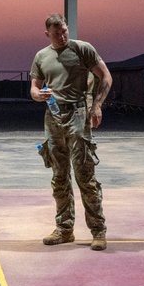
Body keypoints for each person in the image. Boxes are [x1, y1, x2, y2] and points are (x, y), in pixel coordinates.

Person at [29, 13, 112, 251]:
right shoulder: (41, 56)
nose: (63, 36)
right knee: (59, 175)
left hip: (78, 114)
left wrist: (96, 105)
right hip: (53, 116)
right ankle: (64, 229)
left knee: (84, 173)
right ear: (48, 34)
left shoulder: (83, 49)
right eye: (57, 33)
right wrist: (36, 94)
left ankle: (98, 230)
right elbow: (34, 87)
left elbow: (105, 75)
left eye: (64, 31)